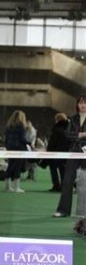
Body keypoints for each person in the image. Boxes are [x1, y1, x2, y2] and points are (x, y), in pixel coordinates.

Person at [53, 94, 86, 229]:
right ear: (77, 105)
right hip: (74, 152)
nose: (82, 105)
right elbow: (67, 135)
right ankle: (63, 210)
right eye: (80, 103)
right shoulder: (72, 119)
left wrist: (76, 136)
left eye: (85, 103)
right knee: (67, 181)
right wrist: (81, 135)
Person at [43, 112, 70, 192]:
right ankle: (63, 186)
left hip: (54, 153)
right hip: (65, 153)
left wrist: (48, 152)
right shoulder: (68, 128)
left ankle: (56, 185)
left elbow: (52, 142)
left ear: (58, 120)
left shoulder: (56, 129)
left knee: (53, 170)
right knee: (63, 170)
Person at [4, 109, 29, 193]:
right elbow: (22, 139)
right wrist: (29, 143)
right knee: (17, 167)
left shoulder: (9, 126)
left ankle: (7, 187)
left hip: (10, 148)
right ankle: (16, 187)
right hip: (19, 149)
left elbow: (6, 139)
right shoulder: (21, 126)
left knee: (10, 166)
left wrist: (7, 147)